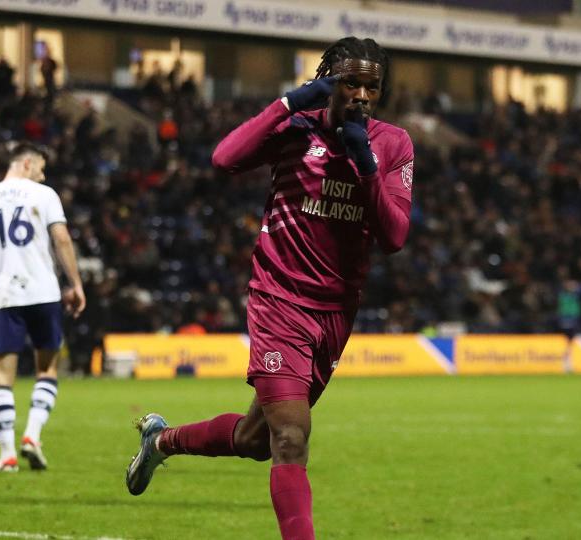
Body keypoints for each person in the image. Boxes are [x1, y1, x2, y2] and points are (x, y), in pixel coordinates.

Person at [125, 37, 414, 539]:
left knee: (257, 438)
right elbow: (223, 158)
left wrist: (365, 163)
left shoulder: (392, 144)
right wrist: (289, 102)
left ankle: (162, 440)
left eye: (373, 86)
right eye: (351, 82)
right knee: (291, 437)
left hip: (336, 312)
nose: (362, 95)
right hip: (279, 299)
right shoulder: (296, 128)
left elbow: (394, 236)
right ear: (327, 79)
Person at [0, 143, 85, 473]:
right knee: (47, 368)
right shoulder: (44, 195)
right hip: (43, 292)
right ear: (26, 163)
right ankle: (32, 435)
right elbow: (62, 239)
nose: (42, 175)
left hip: (4, 294)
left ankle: (7, 454)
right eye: (40, 167)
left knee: (1, 376)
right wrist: (75, 283)